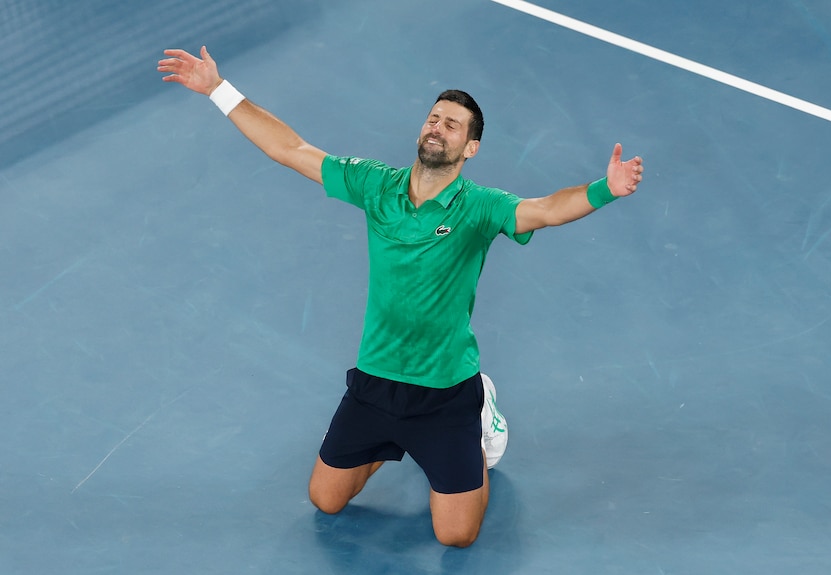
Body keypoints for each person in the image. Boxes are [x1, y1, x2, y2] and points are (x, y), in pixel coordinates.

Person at [158, 46, 644, 548]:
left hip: (445, 393)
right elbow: (291, 149)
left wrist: (604, 189)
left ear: (471, 148)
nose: (438, 127)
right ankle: (392, 441)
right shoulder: (375, 185)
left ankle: (480, 421)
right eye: (434, 118)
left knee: (456, 536)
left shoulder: (481, 207)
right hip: (376, 383)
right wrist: (218, 89)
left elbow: (545, 210)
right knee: (325, 499)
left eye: (452, 125)